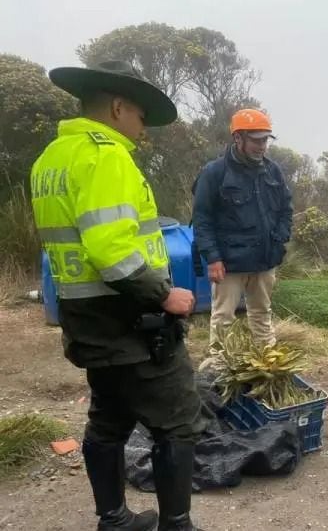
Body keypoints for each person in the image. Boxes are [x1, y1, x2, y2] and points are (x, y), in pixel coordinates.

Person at [30, 61, 204, 530]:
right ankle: (176, 525)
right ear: (118, 106)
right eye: (142, 114)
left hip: (87, 320)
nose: (143, 126)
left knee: (108, 421)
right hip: (132, 320)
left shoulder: (52, 159)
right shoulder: (105, 155)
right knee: (177, 423)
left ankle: (115, 519)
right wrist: (165, 295)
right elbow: (111, 249)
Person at [193, 109, 293, 349]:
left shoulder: (272, 170)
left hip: (264, 261)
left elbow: (286, 210)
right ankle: (219, 370)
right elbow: (202, 219)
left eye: (265, 140)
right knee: (223, 319)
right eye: (256, 140)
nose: (262, 146)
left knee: (261, 313)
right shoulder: (214, 173)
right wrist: (213, 258)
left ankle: (267, 362)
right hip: (229, 264)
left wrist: (279, 240)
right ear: (238, 138)